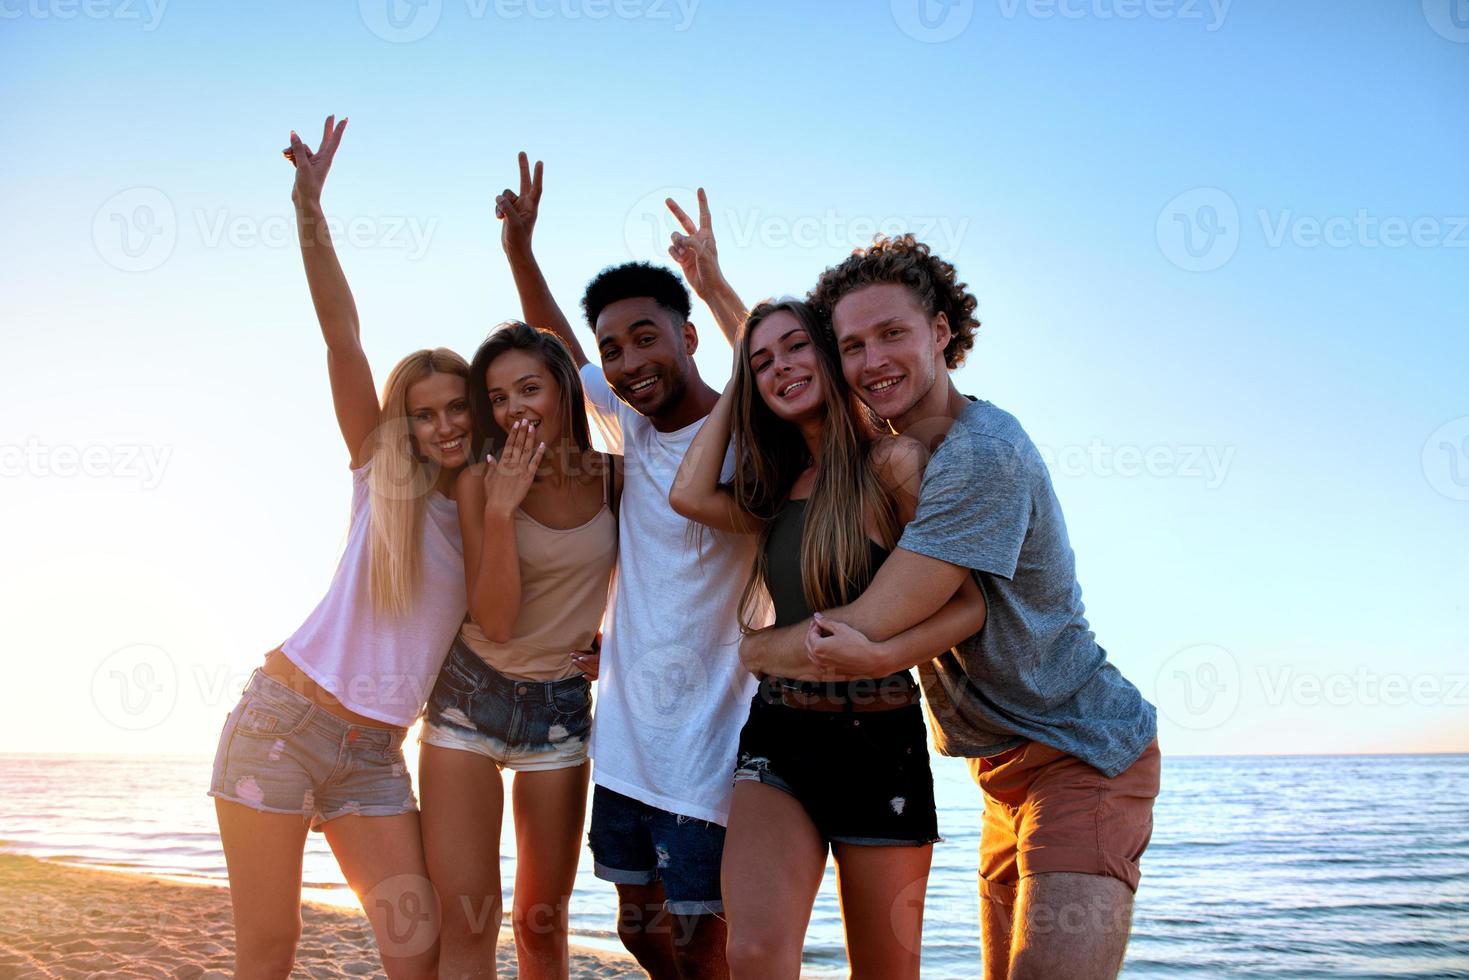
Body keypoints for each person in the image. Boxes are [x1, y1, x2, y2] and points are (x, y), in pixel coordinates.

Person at [741, 235, 1162, 980]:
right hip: (999, 771)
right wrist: (721, 295)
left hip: (1080, 751)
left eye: (892, 334)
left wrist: (751, 651)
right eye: (853, 345)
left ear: (940, 332)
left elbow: (865, 622)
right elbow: (787, 373)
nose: (872, 361)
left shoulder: (977, 455)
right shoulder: (897, 447)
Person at [210, 116, 468, 980]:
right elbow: (341, 334)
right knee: (271, 949)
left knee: (416, 947)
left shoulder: (493, 514)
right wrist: (308, 205)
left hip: (374, 756)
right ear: (406, 419)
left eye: (455, 408)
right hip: (281, 725)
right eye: (423, 411)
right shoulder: (378, 475)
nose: (440, 425)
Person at [669, 297, 987, 979]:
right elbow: (687, 494)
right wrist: (736, 379)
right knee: (752, 954)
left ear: (829, 350)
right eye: (762, 362)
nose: (779, 367)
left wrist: (879, 654)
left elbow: (968, 606)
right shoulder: (776, 487)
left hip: (880, 738)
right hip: (778, 732)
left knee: (884, 971)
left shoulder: (894, 466)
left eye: (794, 347)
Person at [493, 153, 752, 978]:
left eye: (647, 337)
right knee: (640, 930)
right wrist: (520, 252)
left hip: (710, 744)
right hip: (627, 743)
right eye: (615, 347)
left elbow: (794, 370)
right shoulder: (631, 427)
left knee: (701, 941)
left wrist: (714, 283)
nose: (630, 359)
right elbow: (558, 353)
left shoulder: (751, 436)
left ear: (689, 336)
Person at [418, 322, 617, 980]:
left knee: (541, 922)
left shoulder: (616, 480)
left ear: (563, 388)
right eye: (498, 398)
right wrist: (502, 511)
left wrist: (610, 646)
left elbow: (662, 582)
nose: (513, 410)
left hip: (560, 710)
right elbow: (496, 621)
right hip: (470, 700)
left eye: (528, 388)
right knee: (469, 920)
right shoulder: (479, 483)